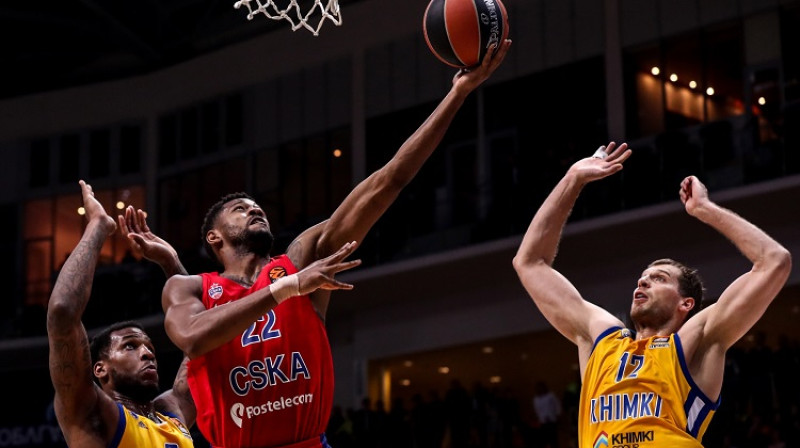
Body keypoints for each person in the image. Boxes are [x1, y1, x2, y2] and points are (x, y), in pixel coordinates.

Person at [160, 39, 512, 448]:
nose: (254, 210)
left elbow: (387, 181)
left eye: (257, 206)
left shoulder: (301, 259)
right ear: (214, 237)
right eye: (240, 209)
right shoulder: (191, 288)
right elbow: (193, 338)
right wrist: (287, 289)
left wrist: (458, 94)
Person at [512, 142, 792, 447]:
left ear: (686, 303)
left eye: (659, 279)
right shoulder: (603, 340)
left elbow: (774, 262)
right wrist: (572, 180)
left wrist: (705, 209)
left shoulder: (694, 342)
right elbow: (529, 263)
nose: (642, 283)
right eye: (642, 279)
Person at [47, 180, 196, 448]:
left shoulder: (173, 413)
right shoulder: (95, 413)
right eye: (130, 346)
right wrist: (97, 227)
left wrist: (170, 261)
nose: (148, 354)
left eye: (149, 347)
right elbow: (62, 312)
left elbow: (202, 339)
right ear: (100, 369)